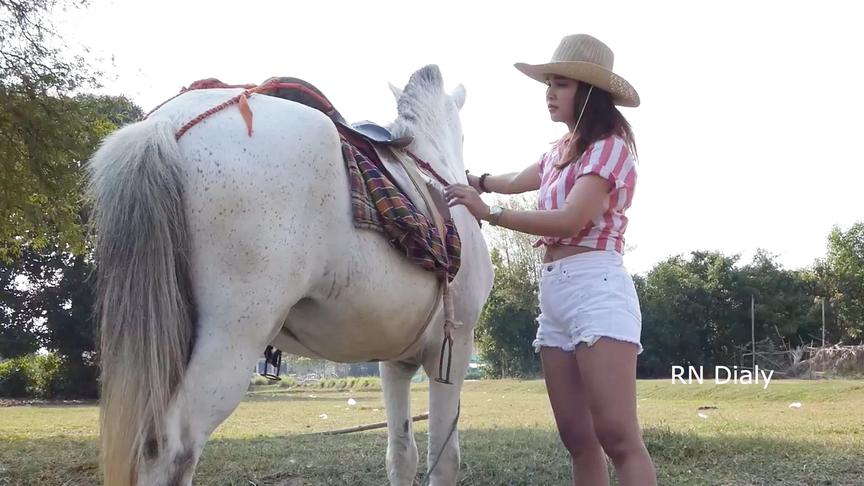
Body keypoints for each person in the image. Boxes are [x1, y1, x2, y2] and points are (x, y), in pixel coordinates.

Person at [445, 34, 657, 485]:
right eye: (549, 84)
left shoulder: (610, 146)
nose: (549, 93)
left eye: (560, 84)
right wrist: (473, 180)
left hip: (596, 288)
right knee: (578, 439)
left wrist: (491, 214)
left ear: (588, 93)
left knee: (618, 437)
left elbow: (570, 220)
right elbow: (516, 178)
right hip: (556, 292)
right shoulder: (562, 150)